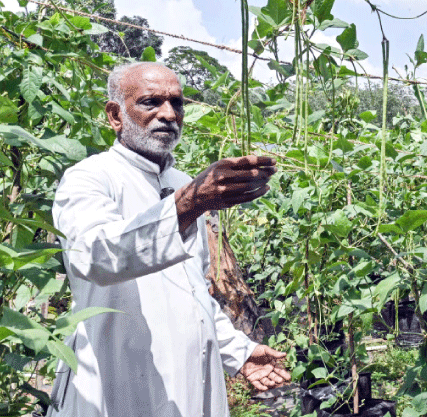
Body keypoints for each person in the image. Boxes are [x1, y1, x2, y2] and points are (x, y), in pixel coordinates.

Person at [47, 62, 290, 417]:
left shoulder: (183, 181)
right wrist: (189, 203)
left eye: (177, 103)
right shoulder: (90, 177)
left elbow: (192, 292)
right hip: (117, 380)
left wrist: (239, 352)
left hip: (189, 384)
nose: (168, 114)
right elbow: (95, 256)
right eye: (151, 102)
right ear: (115, 115)